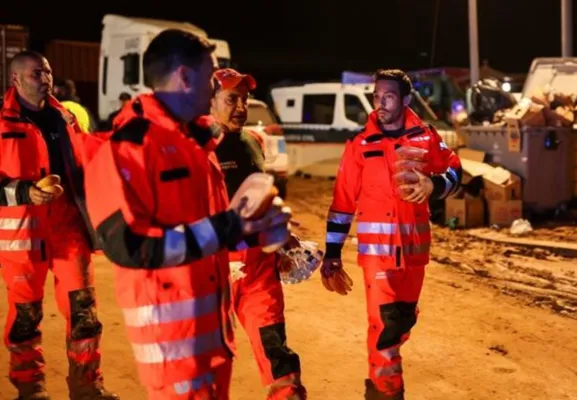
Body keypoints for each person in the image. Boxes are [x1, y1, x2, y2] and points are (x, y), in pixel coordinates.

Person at [84, 29, 292, 400]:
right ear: (184, 77)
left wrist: (259, 230)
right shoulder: (126, 150)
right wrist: (230, 226)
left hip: (210, 336)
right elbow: (127, 247)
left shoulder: (196, 147)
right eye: (211, 75)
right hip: (172, 347)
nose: (214, 87)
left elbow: (207, 226)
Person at [321, 69, 462, 400]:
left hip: (414, 254)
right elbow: (342, 203)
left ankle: (376, 386)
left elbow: (456, 171)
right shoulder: (360, 145)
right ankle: (387, 392)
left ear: (406, 100)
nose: (379, 103)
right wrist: (332, 254)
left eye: (388, 96)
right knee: (384, 328)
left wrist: (434, 185)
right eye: (376, 96)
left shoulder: (426, 137)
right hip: (377, 255)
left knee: (401, 322)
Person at [0, 51, 118, 399]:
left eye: (48, 71)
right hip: (22, 234)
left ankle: (86, 386)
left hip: (67, 226)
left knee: (83, 311)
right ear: (16, 80)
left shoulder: (65, 117)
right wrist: (24, 191)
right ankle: (30, 388)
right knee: (26, 317)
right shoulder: (2, 121)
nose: (46, 78)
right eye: (37, 73)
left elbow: (88, 164)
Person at [210, 68, 306, 399]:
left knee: (274, 347)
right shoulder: (196, 147)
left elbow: (261, 195)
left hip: (257, 266)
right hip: (212, 269)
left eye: (245, 99)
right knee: (206, 362)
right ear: (210, 101)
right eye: (231, 99)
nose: (241, 106)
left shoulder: (254, 141)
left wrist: (283, 236)